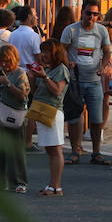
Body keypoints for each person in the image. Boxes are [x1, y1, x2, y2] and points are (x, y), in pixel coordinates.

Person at [59, 0, 112, 165]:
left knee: (96, 119)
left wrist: (103, 66)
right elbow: (61, 50)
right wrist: (67, 63)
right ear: (81, 12)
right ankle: (75, 150)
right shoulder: (71, 30)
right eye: (88, 13)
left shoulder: (101, 31)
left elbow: (107, 51)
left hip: (93, 80)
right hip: (74, 81)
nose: (91, 17)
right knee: (75, 118)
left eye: (95, 14)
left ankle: (96, 152)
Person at [29, 42, 70, 198]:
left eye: (47, 52)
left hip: (53, 111)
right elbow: (36, 91)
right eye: (43, 51)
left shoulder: (61, 70)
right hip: (42, 109)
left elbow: (57, 91)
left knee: (55, 150)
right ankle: (52, 184)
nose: (44, 55)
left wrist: (44, 77)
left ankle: (56, 186)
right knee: (49, 150)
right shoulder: (47, 69)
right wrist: (33, 78)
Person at [0, 44, 29, 193]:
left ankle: (19, 182)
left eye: (7, 61)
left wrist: (7, 83)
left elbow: (23, 95)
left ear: (14, 59)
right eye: (1, 61)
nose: (4, 64)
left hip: (14, 117)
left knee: (16, 153)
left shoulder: (20, 74)